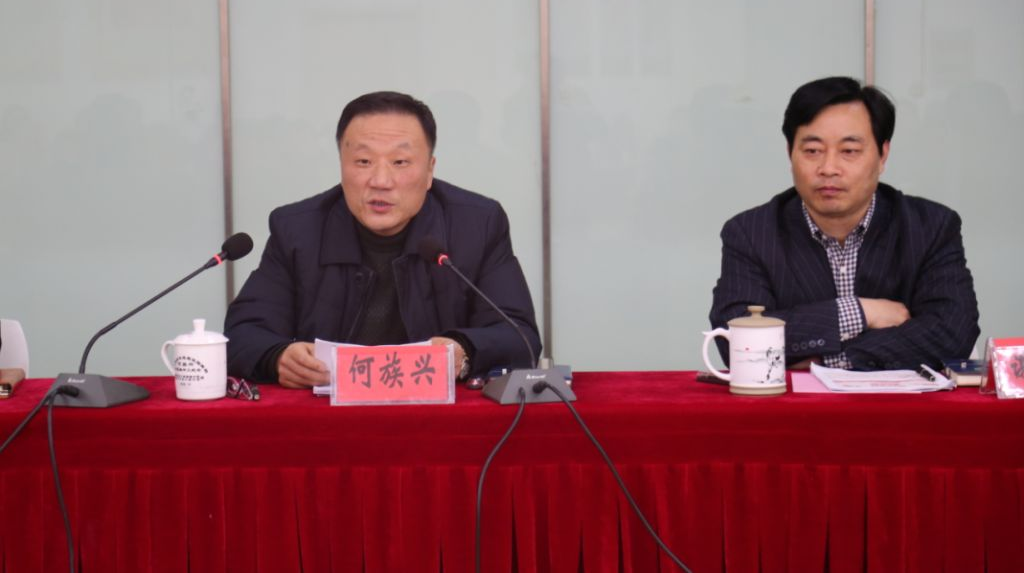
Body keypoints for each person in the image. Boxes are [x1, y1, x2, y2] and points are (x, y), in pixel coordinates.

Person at [225, 91, 540, 388]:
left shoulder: (477, 225)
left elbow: (520, 337)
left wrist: (464, 349)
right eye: (363, 162)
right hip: (328, 416)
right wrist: (276, 357)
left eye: (400, 162)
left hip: (437, 415)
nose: (380, 181)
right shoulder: (297, 230)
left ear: (429, 170)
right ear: (342, 166)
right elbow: (242, 334)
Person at [709, 76, 979, 371]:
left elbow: (953, 332)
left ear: (882, 155)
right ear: (790, 153)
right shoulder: (751, 233)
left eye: (849, 151)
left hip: (897, 402)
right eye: (812, 151)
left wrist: (834, 359)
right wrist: (859, 312)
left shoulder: (930, 227)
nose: (828, 168)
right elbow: (736, 341)